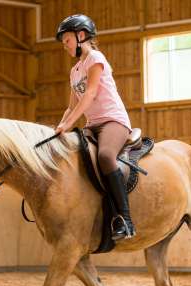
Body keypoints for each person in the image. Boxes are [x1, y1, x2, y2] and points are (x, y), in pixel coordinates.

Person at [54, 14, 135, 241]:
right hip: (92, 125)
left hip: (113, 121)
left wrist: (69, 125)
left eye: (67, 41)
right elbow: (71, 107)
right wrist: (60, 127)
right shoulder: (74, 71)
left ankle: (125, 220)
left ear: (81, 36)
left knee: (106, 156)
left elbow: (89, 94)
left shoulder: (95, 58)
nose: (65, 46)